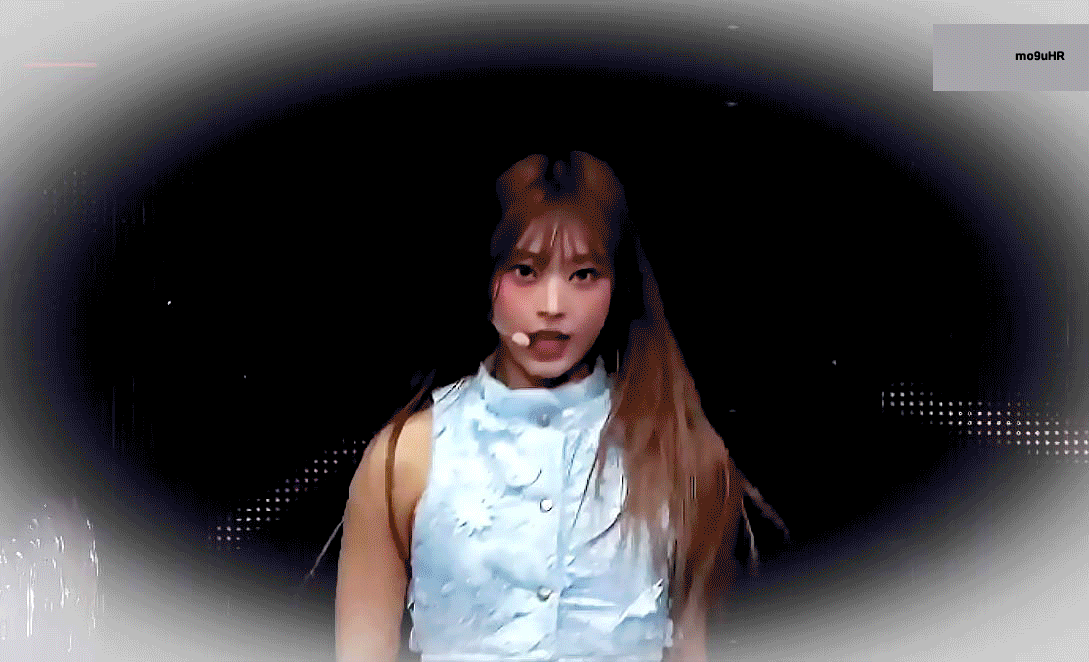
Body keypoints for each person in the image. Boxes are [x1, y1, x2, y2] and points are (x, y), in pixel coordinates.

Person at [335, 151, 787, 662]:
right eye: (525, 271)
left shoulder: (675, 451)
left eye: (584, 274)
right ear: (486, 277)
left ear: (617, 284)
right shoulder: (407, 456)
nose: (553, 305)